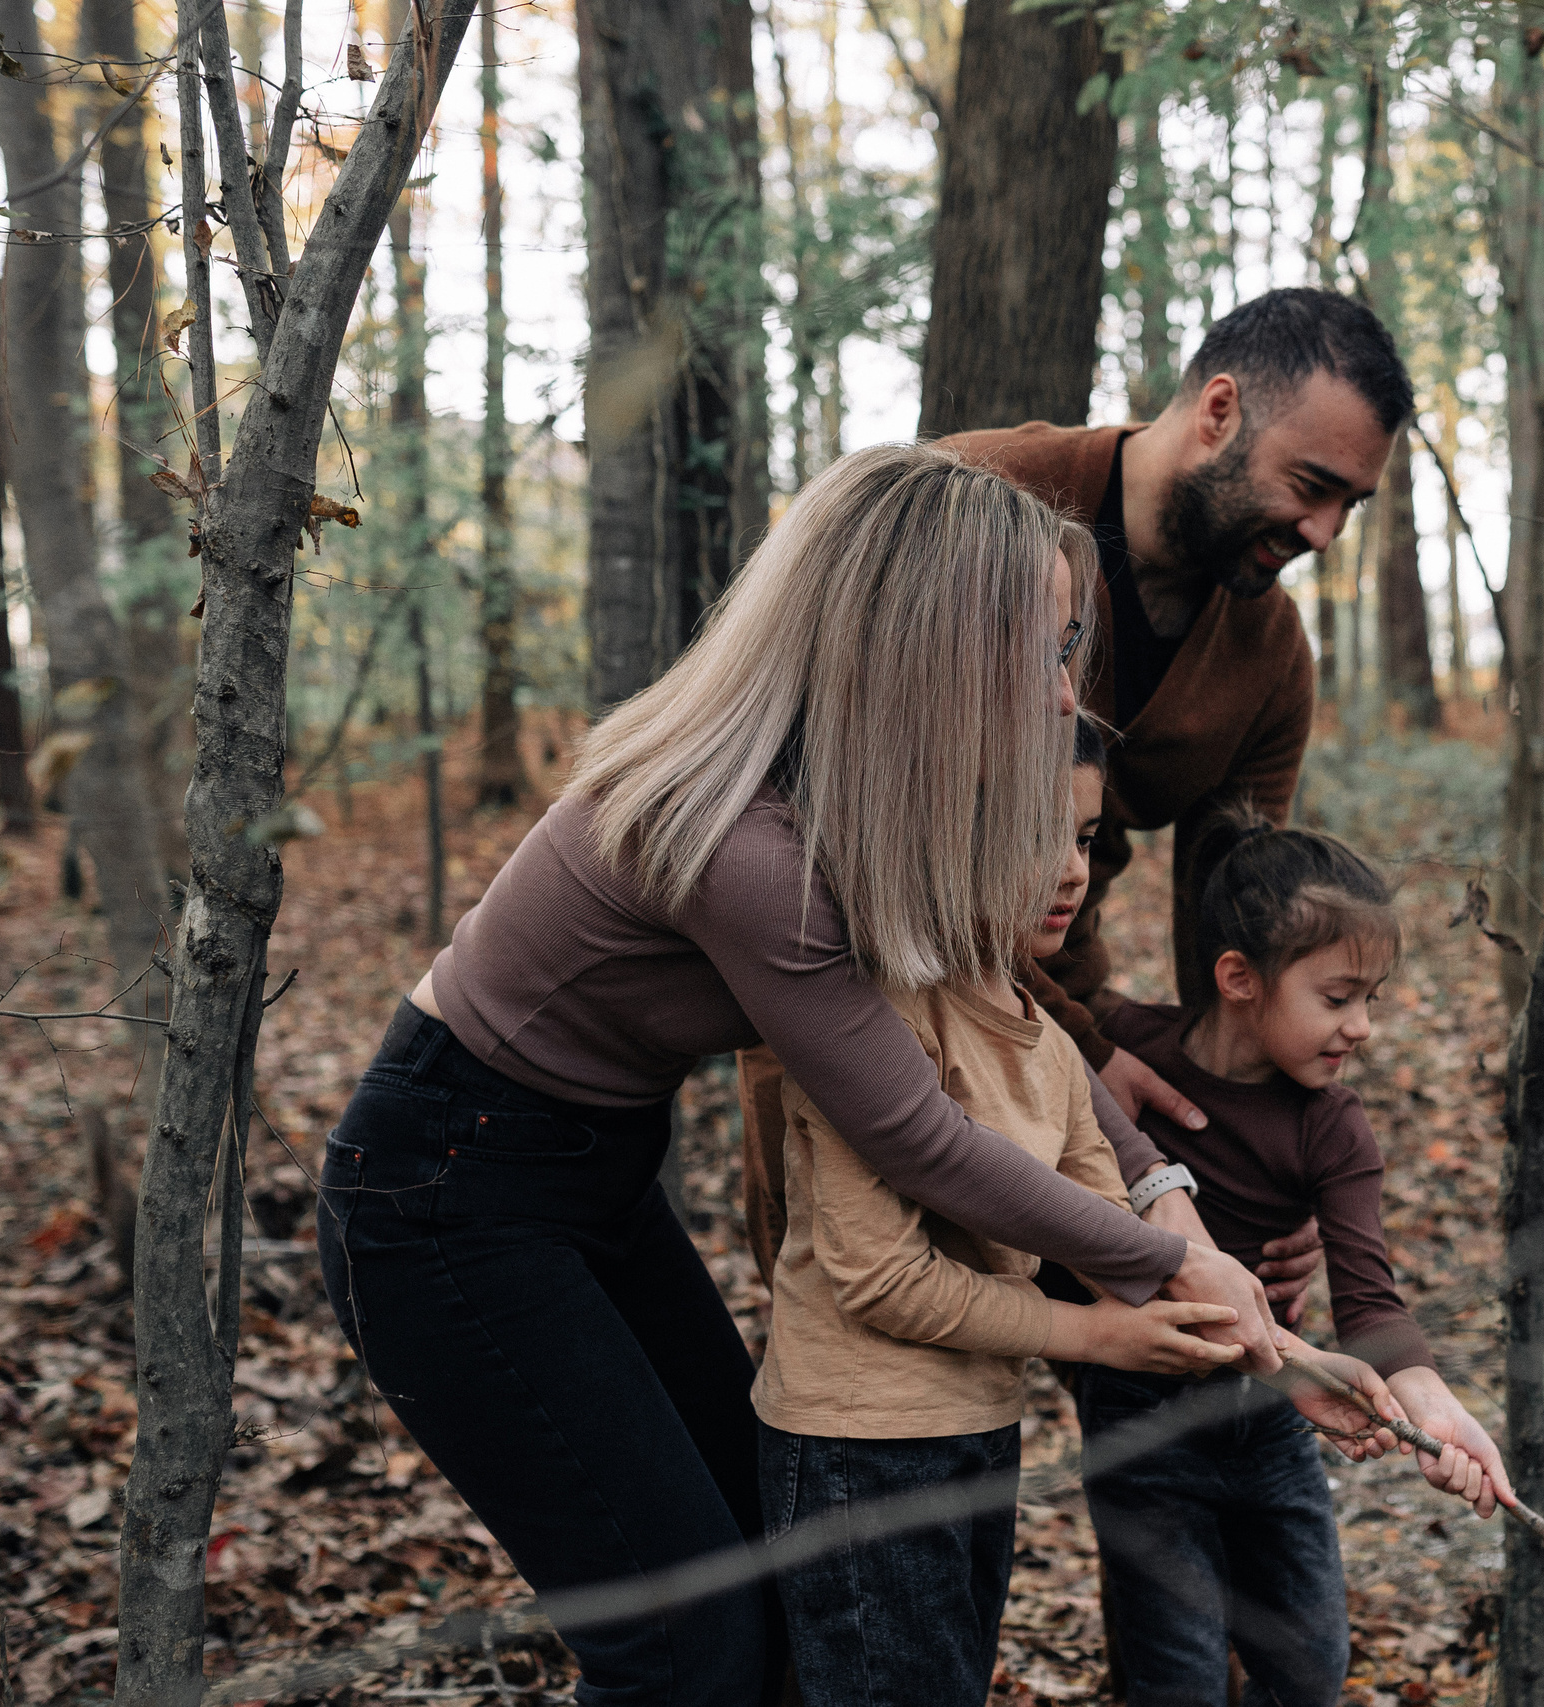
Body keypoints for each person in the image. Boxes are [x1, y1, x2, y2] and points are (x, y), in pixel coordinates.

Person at [315, 446, 1283, 1707]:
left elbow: (1009, 1009)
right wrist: (1161, 1265)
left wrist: (1159, 1193)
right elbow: (918, 1138)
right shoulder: (751, 842)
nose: (1063, 698)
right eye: (1040, 655)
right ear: (927, 644)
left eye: (1067, 654)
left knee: (769, 1589)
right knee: (681, 1648)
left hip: (592, 1176)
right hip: (449, 1190)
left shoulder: (861, 796)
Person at [742, 287, 1414, 1320]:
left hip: (1060, 1004)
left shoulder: (1271, 658)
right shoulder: (973, 497)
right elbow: (815, 806)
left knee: (1101, 1327)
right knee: (859, 1318)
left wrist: (1272, 1146)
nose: (1323, 532)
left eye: (1349, 507)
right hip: (867, 976)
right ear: (1220, 411)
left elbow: (1239, 932)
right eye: (1311, 486)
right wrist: (1090, 1053)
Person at [756, 723, 1399, 1707]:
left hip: (978, 1424)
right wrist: (1096, 1335)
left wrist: (1292, 1364)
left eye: (1087, 837)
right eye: (1034, 833)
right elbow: (883, 1279)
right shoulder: (868, 1016)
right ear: (945, 830)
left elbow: (1124, 1227)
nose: (1070, 870)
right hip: (861, 1445)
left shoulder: (1044, 1038)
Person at [1072, 811, 1514, 1707]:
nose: (1363, 1026)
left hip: (1275, 1415)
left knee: (1311, 1663)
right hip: (1140, 1419)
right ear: (1239, 977)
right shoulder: (1124, 1052)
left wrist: (1431, 1402)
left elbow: (1369, 1296)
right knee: (1178, 1676)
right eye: (1339, 996)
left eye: (1372, 999)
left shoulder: (1333, 1125)